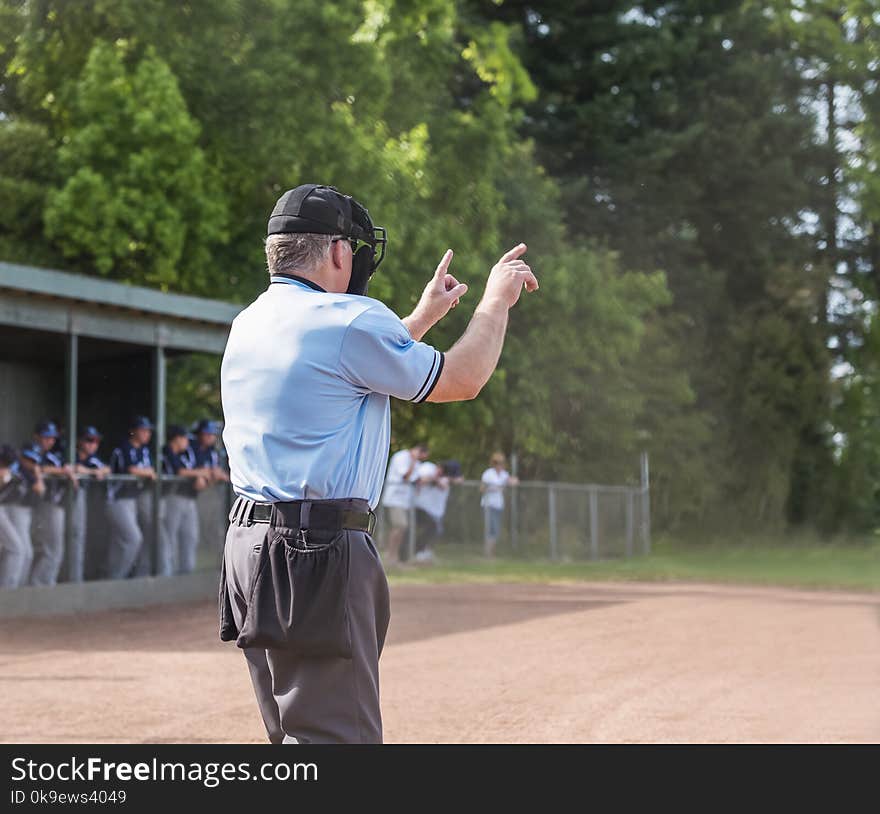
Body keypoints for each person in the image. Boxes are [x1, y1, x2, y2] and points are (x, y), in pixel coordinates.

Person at [219, 183, 537, 744]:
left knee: (294, 736)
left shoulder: (252, 321)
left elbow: (340, 374)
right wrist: (495, 301)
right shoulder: (349, 318)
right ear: (338, 252)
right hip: (313, 551)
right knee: (337, 740)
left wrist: (419, 319)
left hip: (250, 546)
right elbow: (462, 380)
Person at [22, 421, 77, 585]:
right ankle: (39, 585)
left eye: (52, 438)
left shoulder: (52, 455)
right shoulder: (31, 448)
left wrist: (67, 471)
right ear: (36, 436)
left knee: (51, 549)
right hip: (43, 505)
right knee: (51, 549)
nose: (50, 441)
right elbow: (36, 466)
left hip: (51, 504)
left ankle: (44, 584)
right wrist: (63, 471)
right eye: (46, 437)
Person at [106, 416, 157, 579]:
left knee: (119, 542)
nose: (147, 434)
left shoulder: (144, 450)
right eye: (143, 430)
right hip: (117, 499)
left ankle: (112, 578)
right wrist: (148, 472)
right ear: (133, 431)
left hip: (132, 499)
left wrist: (148, 472)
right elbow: (132, 469)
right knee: (133, 539)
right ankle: (117, 578)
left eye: (148, 430)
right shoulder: (123, 448)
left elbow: (149, 469)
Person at [161, 424, 207, 576]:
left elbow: (189, 470)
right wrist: (199, 473)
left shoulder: (183, 454)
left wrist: (198, 475)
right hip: (170, 498)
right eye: (185, 438)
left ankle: (186, 574)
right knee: (170, 538)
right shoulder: (167, 451)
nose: (187, 442)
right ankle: (168, 574)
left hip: (188, 499)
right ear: (177, 438)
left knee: (190, 536)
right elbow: (179, 472)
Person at [70, 426, 110, 583]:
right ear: (79, 441)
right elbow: (73, 467)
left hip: (78, 499)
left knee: (77, 538)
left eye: (96, 441)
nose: (93, 444)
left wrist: (93, 471)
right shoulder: (70, 453)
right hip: (59, 501)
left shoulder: (91, 459)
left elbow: (107, 468)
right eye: (89, 440)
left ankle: (76, 579)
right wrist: (89, 471)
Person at [381, 443, 429, 565]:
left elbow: (416, 480)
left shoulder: (416, 463)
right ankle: (390, 555)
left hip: (405, 501)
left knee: (402, 528)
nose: (420, 459)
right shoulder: (401, 457)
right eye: (421, 456)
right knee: (400, 525)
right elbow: (406, 476)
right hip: (394, 498)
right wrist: (413, 460)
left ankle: (394, 556)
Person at [412, 459, 462, 563]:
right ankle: (418, 551)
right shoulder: (428, 467)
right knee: (432, 528)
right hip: (421, 507)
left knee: (437, 530)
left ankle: (426, 552)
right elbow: (420, 479)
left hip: (435, 511)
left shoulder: (446, 478)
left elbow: (459, 480)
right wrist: (436, 479)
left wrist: (447, 479)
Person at [0, 444, 32, 588]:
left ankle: (9, 592)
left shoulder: (12, 473)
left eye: (5, 464)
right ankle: (7, 593)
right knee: (16, 549)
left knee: (18, 549)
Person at [480, 452, 519, 558]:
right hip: (488, 505)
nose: (500, 465)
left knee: (496, 530)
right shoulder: (488, 474)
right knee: (491, 529)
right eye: (497, 463)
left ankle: (491, 552)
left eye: (501, 463)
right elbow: (482, 488)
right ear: (493, 463)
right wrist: (494, 488)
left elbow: (512, 481)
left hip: (498, 505)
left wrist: (514, 481)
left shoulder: (504, 474)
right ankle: (488, 553)